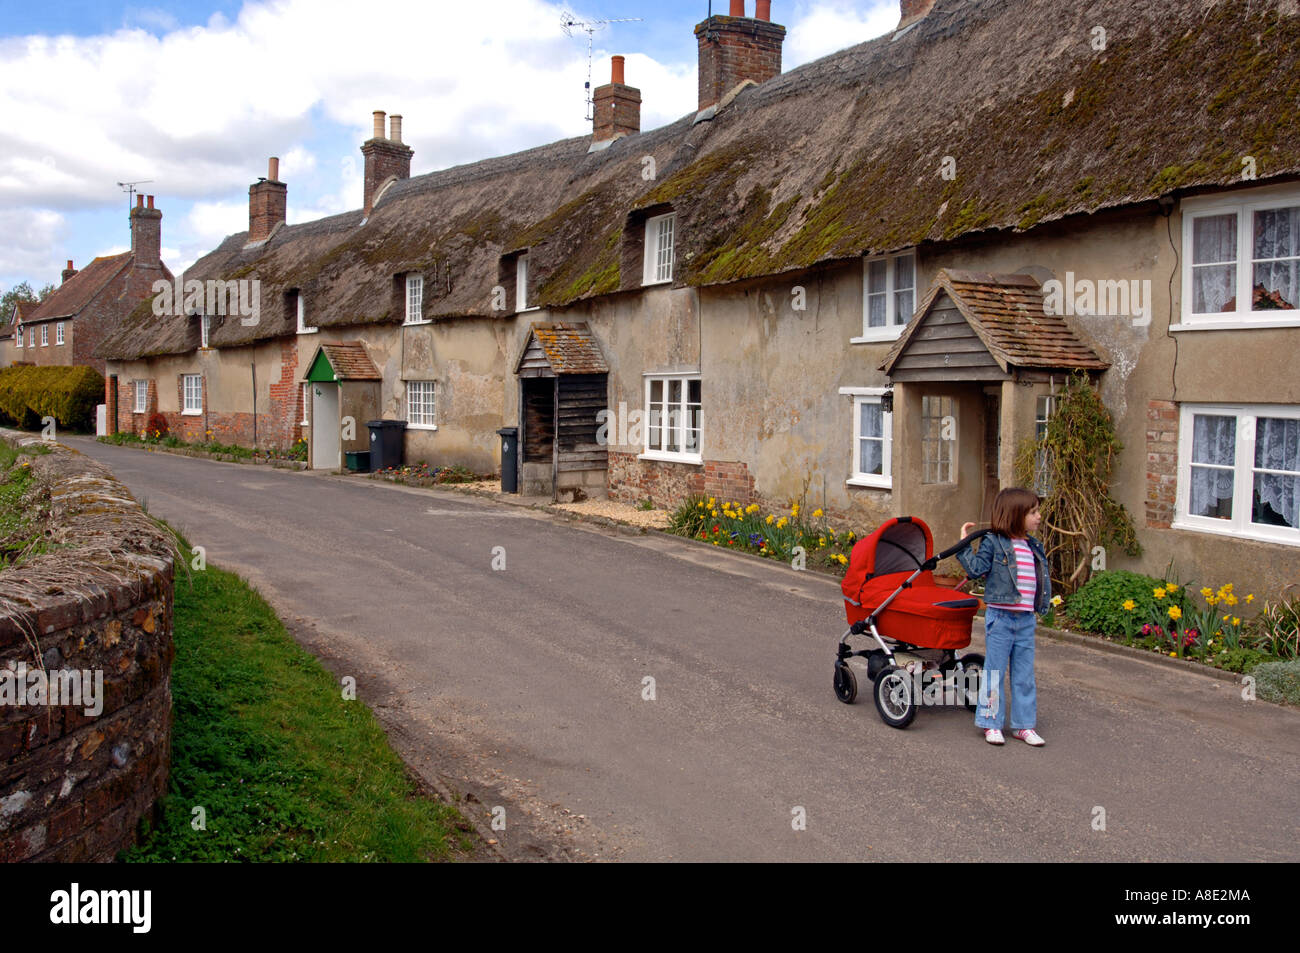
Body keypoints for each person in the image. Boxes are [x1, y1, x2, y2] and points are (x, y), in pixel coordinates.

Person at [957, 488, 1051, 747]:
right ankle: (990, 723)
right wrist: (965, 544)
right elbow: (976, 570)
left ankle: (1023, 726)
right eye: (1033, 512)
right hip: (1000, 618)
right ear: (1015, 515)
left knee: (1024, 675)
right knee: (995, 673)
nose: (1039, 517)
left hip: (1025, 620)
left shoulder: (1033, 545)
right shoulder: (994, 542)